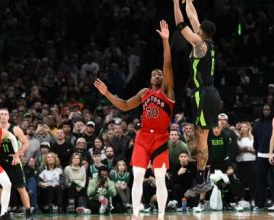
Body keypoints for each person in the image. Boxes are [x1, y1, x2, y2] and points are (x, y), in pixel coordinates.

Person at [94, 20, 174, 220]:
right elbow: (124, 105)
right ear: (149, 78)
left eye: (159, 74)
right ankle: (136, 214)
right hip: (143, 137)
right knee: (137, 176)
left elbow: (167, 64)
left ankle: (162, 216)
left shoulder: (168, 91)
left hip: (161, 139)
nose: (157, 74)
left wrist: (165, 41)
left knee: (159, 179)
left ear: (163, 78)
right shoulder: (144, 92)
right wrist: (107, 94)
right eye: (153, 74)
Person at [173, 0, 220, 194]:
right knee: (202, 136)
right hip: (207, 93)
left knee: (201, 138)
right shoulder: (207, 41)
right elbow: (192, 16)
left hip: (204, 94)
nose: (196, 26)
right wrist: (189, 1)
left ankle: (202, 179)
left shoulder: (199, 44)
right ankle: (202, 178)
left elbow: (181, 25)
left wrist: (176, 3)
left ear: (201, 31)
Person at [0, 109, 33, 219]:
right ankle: (4, 212)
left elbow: (26, 143)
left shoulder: (15, 129)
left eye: (5, 114)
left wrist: (18, 154)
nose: (3, 116)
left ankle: (28, 211)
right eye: (1, 114)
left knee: (21, 188)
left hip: (13, 162)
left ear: (8, 116)